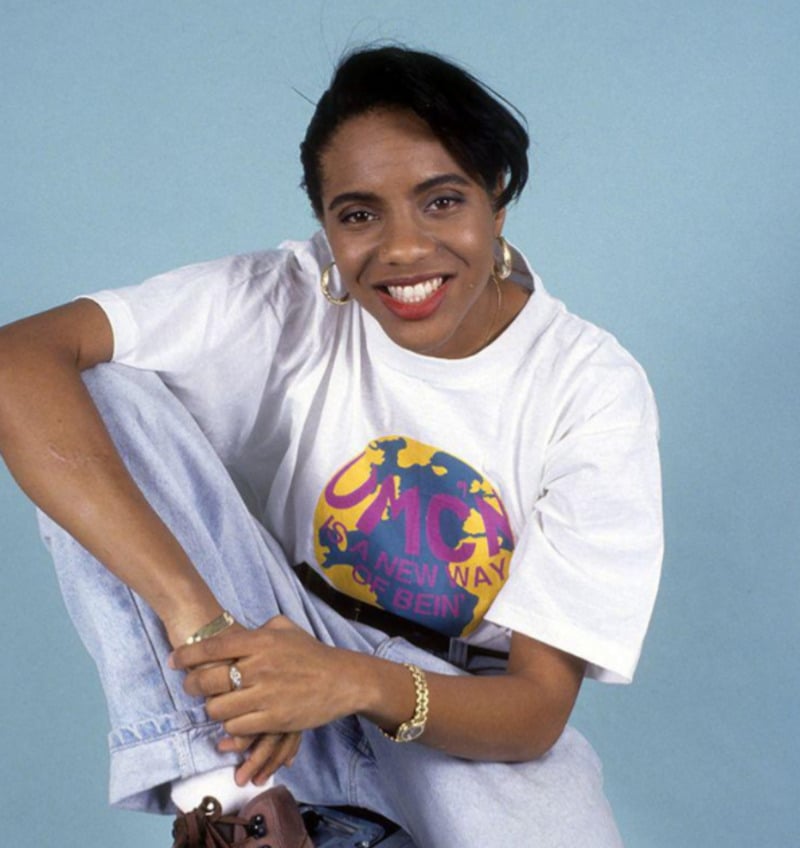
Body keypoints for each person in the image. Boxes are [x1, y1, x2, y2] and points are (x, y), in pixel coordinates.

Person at [0, 46, 662, 847]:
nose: (404, 248)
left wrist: (348, 680)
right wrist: (201, 624)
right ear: (324, 224)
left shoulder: (590, 387)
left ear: (498, 197)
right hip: (263, 662)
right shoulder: (284, 298)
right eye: (358, 215)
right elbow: (17, 362)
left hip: (459, 713)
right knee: (98, 392)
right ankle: (232, 803)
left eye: (442, 201)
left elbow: (534, 711)